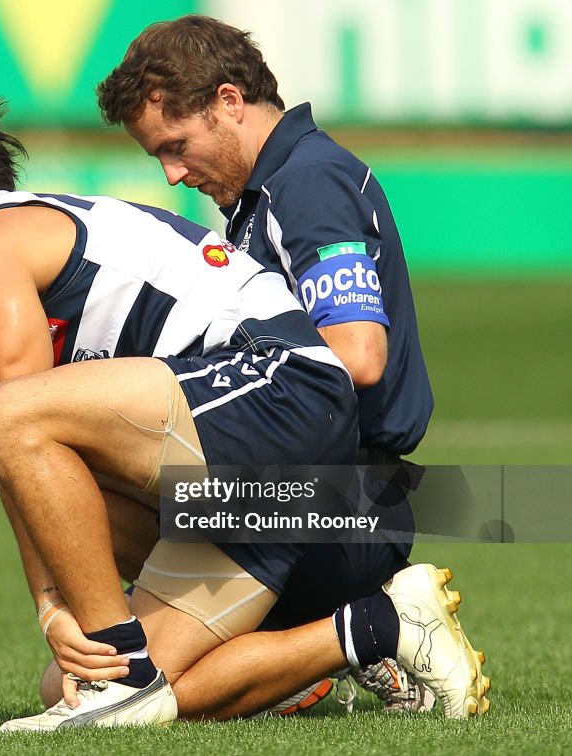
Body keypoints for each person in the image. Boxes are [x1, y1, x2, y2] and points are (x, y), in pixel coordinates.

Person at [0, 93, 488, 732]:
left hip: (286, 388)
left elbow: (18, 420)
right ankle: (382, 625)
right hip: (247, 475)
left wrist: (54, 606)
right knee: (79, 686)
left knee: (15, 424)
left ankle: (129, 663)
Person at [96, 14, 437, 710]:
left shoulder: (306, 184)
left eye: (176, 146)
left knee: (128, 691)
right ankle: (311, 645)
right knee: (95, 663)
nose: (172, 172)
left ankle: (374, 627)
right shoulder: (265, 196)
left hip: (343, 505)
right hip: (317, 498)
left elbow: (358, 354)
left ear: (229, 101)